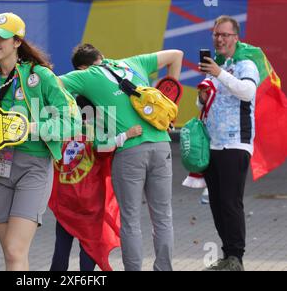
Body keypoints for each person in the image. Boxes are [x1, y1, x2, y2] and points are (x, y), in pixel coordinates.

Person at [0, 12, 80, 271]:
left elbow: (72, 121)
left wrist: (30, 128)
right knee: (11, 253)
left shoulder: (41, 76)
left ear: (18, 42)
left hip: (34, 167)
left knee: (15, 249)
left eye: (2, 38)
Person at [60, 43, 184, 271]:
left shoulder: (87, 75)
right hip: (161, 145)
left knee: (130, 220)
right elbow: (177, 55)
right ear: (102, 56)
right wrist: (169, 106)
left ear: (81, 67)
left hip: (130, 151)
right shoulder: (133, 62)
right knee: (163, 217)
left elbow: (53, 84)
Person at [197, 15, 261, 271]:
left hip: (236, 143)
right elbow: (205, 106)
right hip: (212, 144)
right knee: (217, 202)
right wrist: (202, 98)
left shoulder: (246, 64)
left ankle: (237, 257)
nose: (220, 39)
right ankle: (227, 255)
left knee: (231, 202)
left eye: (225, 35)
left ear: (236, 37)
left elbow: (247, 92)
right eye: (216, 35)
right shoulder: (215, 67)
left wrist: (219, 73)